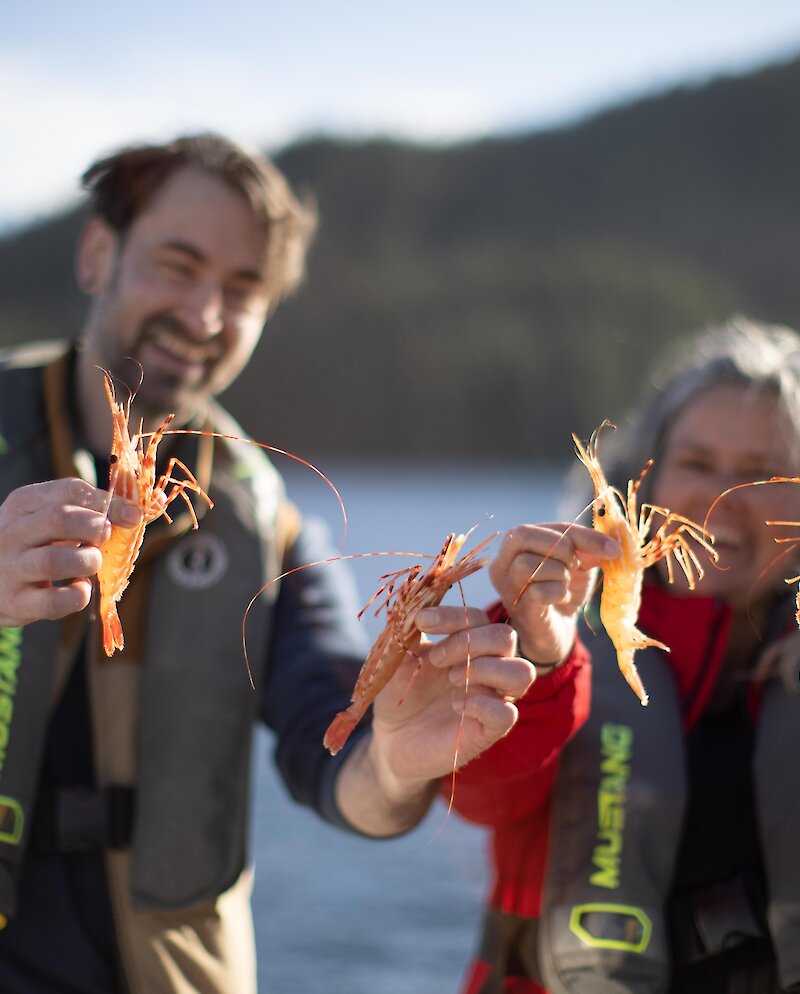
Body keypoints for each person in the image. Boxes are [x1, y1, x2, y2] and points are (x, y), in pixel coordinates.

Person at [0, 133, 537, 994]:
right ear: (98, 252)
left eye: (242, 292)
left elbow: (334, 750)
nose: (205, 316)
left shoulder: (268, 520)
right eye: (178, 266)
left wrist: (397, 758)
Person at [451, 316, 800, 994]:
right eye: (695, 464)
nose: (719, 498)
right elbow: (477, 796)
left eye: (762, 474)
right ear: (640, 481)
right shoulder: (554, 627)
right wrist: (539, 658)